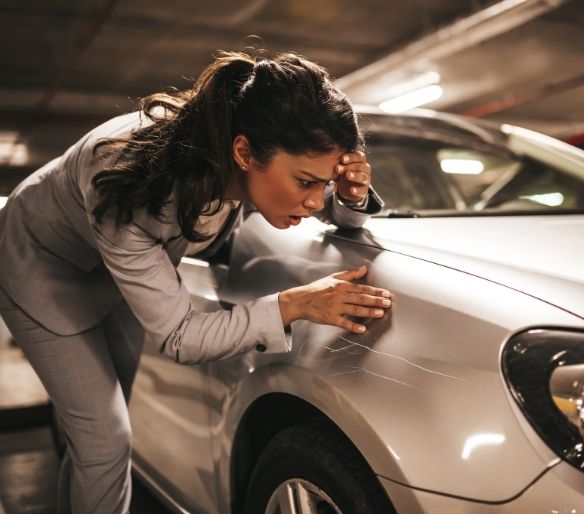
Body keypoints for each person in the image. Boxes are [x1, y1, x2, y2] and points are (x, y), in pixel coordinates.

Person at [0, 51, 392, 514]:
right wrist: (293, 305)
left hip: (116, 274)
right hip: (42, 267)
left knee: (97, 439)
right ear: (244, 153)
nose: (313, 201)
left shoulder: (248, 152)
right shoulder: (128, 178)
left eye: (322, 183)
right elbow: (180, 336)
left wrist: (351, 195)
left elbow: (329, 209)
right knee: (105, 441)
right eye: (307, 182)